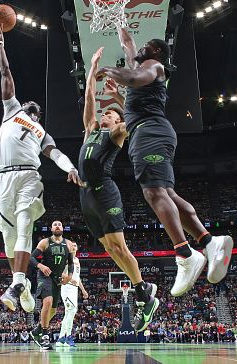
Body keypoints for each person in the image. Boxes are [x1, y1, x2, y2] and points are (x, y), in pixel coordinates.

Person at [95, 27, 233, 296]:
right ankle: (209, 241)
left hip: (150, 132)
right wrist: (119, 18)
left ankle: (185, 253)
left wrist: (110, 70)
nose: (140, 49)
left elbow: (134, 77)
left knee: (154, 192)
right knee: (167, 193)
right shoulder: (142, 68)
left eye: (147, 45)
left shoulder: (154, 66)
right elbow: (128, 46)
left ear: (157, 51)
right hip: (147, 130)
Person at [0, 24, 83, 313]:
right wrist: (0, 43)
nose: (31, 109)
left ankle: (17, 283)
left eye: (36, 110)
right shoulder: (12, 110)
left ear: (39, 115)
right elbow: (6, 74)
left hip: (29, 176)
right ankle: (24, 284)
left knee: (23, 226)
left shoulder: (42, 132)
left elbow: (55, 154)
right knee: (8, 240)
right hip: (1, 177)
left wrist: (70, 167)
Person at [78, 47, 158, 332]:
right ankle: (143, 290)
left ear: (115, 121)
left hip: (105, 191)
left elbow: (133, 117)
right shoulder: (90, 130)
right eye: (105, 114)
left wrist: (116, 98)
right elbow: (88, 98)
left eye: (109, 114)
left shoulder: (116, 133)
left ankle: (143, 296)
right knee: (110, 250)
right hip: (86, 196)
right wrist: (92, 68)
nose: (105, 115)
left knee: (120, 247)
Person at [29, 220, 75, 350]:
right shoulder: (45, 242)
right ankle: (44, 336)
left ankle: (36, 331)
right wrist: (41, 265)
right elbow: (31, 258)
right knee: (47, 302)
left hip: (58, 279)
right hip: (45, 276)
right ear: (51, 228)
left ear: (63, 228)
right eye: (54, 224)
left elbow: (70, 263)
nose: (57, 226)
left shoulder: (69, 244)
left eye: (59, 224)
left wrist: (70, 276)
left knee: (53, 311)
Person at [56, 241, 88, 347]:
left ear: (77, 248)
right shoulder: (65, 258)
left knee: (69, 312)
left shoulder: (77, 260)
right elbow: (59, 273)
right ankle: (68, 337)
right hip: (66, 287)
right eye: (72, 246)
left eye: (75, 246)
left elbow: (77, 278)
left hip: (74, 289)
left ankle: (61, 338)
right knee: (72, 310)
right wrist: (69, 280)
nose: (73, 247)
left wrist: (83, 290)